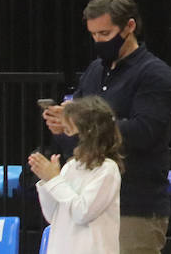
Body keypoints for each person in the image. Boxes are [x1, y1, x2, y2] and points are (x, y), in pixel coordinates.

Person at [43, 0, 171, 254]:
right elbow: (74, 137)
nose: (98, 41)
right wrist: (63, 125)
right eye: (93, 35)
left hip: (134, 207)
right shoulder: (95, 70)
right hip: (85, 201)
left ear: (129, 27)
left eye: (104, 34)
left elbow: (143, 132)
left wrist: (82, 125)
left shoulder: (156, 75)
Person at [30, 96, 124, 254]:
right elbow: (51, 214)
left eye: (70, 130)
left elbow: (83, 212)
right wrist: (47, 181)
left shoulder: (107, 170)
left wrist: (54, 180)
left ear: (88, 131)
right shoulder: (71, 166)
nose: (68, 136)